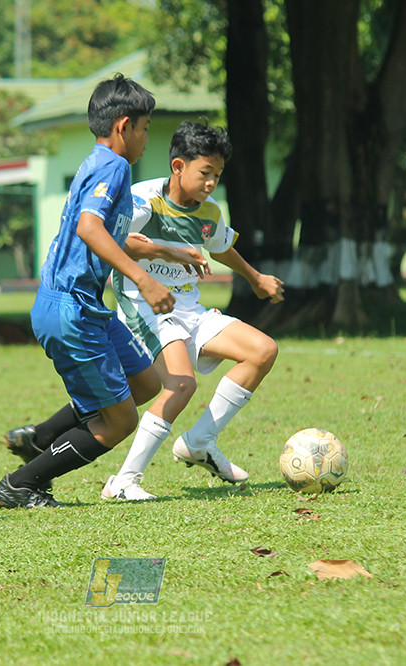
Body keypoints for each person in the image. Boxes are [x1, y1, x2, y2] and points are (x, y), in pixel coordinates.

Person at [0, 74, 180, 509]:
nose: (147, 139)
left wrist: (167, 252)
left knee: (145, 382)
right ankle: (21, 484)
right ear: (124, 126)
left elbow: (104, 234)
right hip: (71, 309)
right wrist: (144, 278)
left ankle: (40, 437)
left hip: (84, 306)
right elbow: (89, 227)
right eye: (146, 128)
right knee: (119, 422)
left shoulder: (95, 161)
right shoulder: (115, 167)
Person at [101, 120, 285, 501]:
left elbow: (220, 246)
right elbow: (114, 241)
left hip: (189, 309)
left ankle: (199, 440)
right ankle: (123, 482)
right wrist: (162, 250)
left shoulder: (209, 212)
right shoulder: (143, 200)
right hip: (144, 307)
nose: (211, 183)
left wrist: (254, 278)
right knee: (182, 384)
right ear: (178, 167)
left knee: (262, 350)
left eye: (217, 175)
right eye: (205, 173)